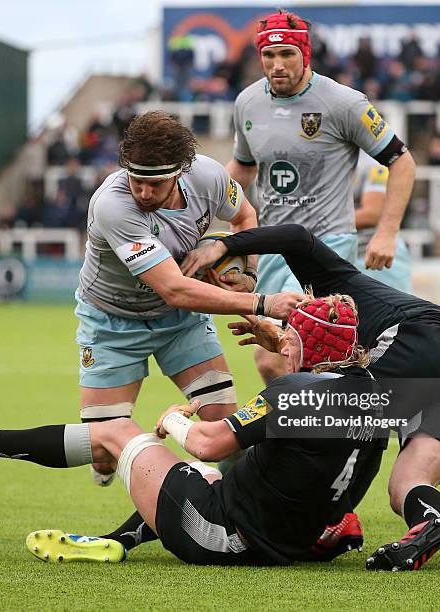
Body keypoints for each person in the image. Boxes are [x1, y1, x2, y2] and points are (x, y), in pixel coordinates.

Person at [0, 294, 389, 566]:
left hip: (222, 535)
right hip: (294, 541)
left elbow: (208, 444)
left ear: (300, 346)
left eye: (287, 339)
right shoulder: (374, 395)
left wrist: (172, 420)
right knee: (203, 477)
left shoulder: (295, 391)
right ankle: (122, 540)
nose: (281, 346)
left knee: (117, 431)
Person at [181, 224, 440, 571]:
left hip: (417, 338)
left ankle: (333, 518)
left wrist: (222, 245)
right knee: (407, 482)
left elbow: (296, 238)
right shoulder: (334, 308)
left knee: (335, 415)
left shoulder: (334, 283)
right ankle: (428, 522)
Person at [75, 111, 302, 486]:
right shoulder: (113, 206)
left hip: (179, 322)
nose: (144, 192)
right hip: (112, 322)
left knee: (225, 431)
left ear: (180, 171)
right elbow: (174, 288)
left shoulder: (210, 176)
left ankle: (227, 508)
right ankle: (111, 461)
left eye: (156, 183)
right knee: (102, 454)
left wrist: (247, 273)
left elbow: (245, 216)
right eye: (136, 180)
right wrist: (261, 302)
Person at [224, 9, 416, 385]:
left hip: (326, 245)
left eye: (287, 55)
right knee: (269, 362)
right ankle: (312, 434)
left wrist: (387, 231)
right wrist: (206, 209)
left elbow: (402, 161)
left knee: (297, 350)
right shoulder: (247, 103)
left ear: (305, 55)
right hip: (272, 249)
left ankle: (327, 437)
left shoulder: (344, 103)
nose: (277, 65)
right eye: (269, 56)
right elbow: (242, 169)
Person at [354, 153, 412, 293]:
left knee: (397, 313)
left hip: (376, 258)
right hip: (346, 254)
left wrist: (315, 224)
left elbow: (371, 215)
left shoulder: (373, 163)